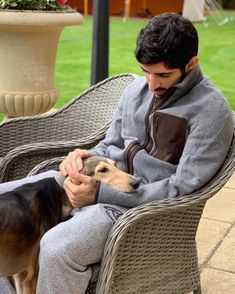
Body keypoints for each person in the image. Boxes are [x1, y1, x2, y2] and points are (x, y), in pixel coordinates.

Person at [0, 12, 233, 294]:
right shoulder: (136, 90)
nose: (150, 84)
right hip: (98, 183)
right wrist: (82, 158)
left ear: (191, 64)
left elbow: (181, 189)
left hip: (135, 211)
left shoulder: (211, 111)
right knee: (6, 207)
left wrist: (99, 194)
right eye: (145, 71)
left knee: (56, 247)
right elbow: (109, 145)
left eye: (162, 75)